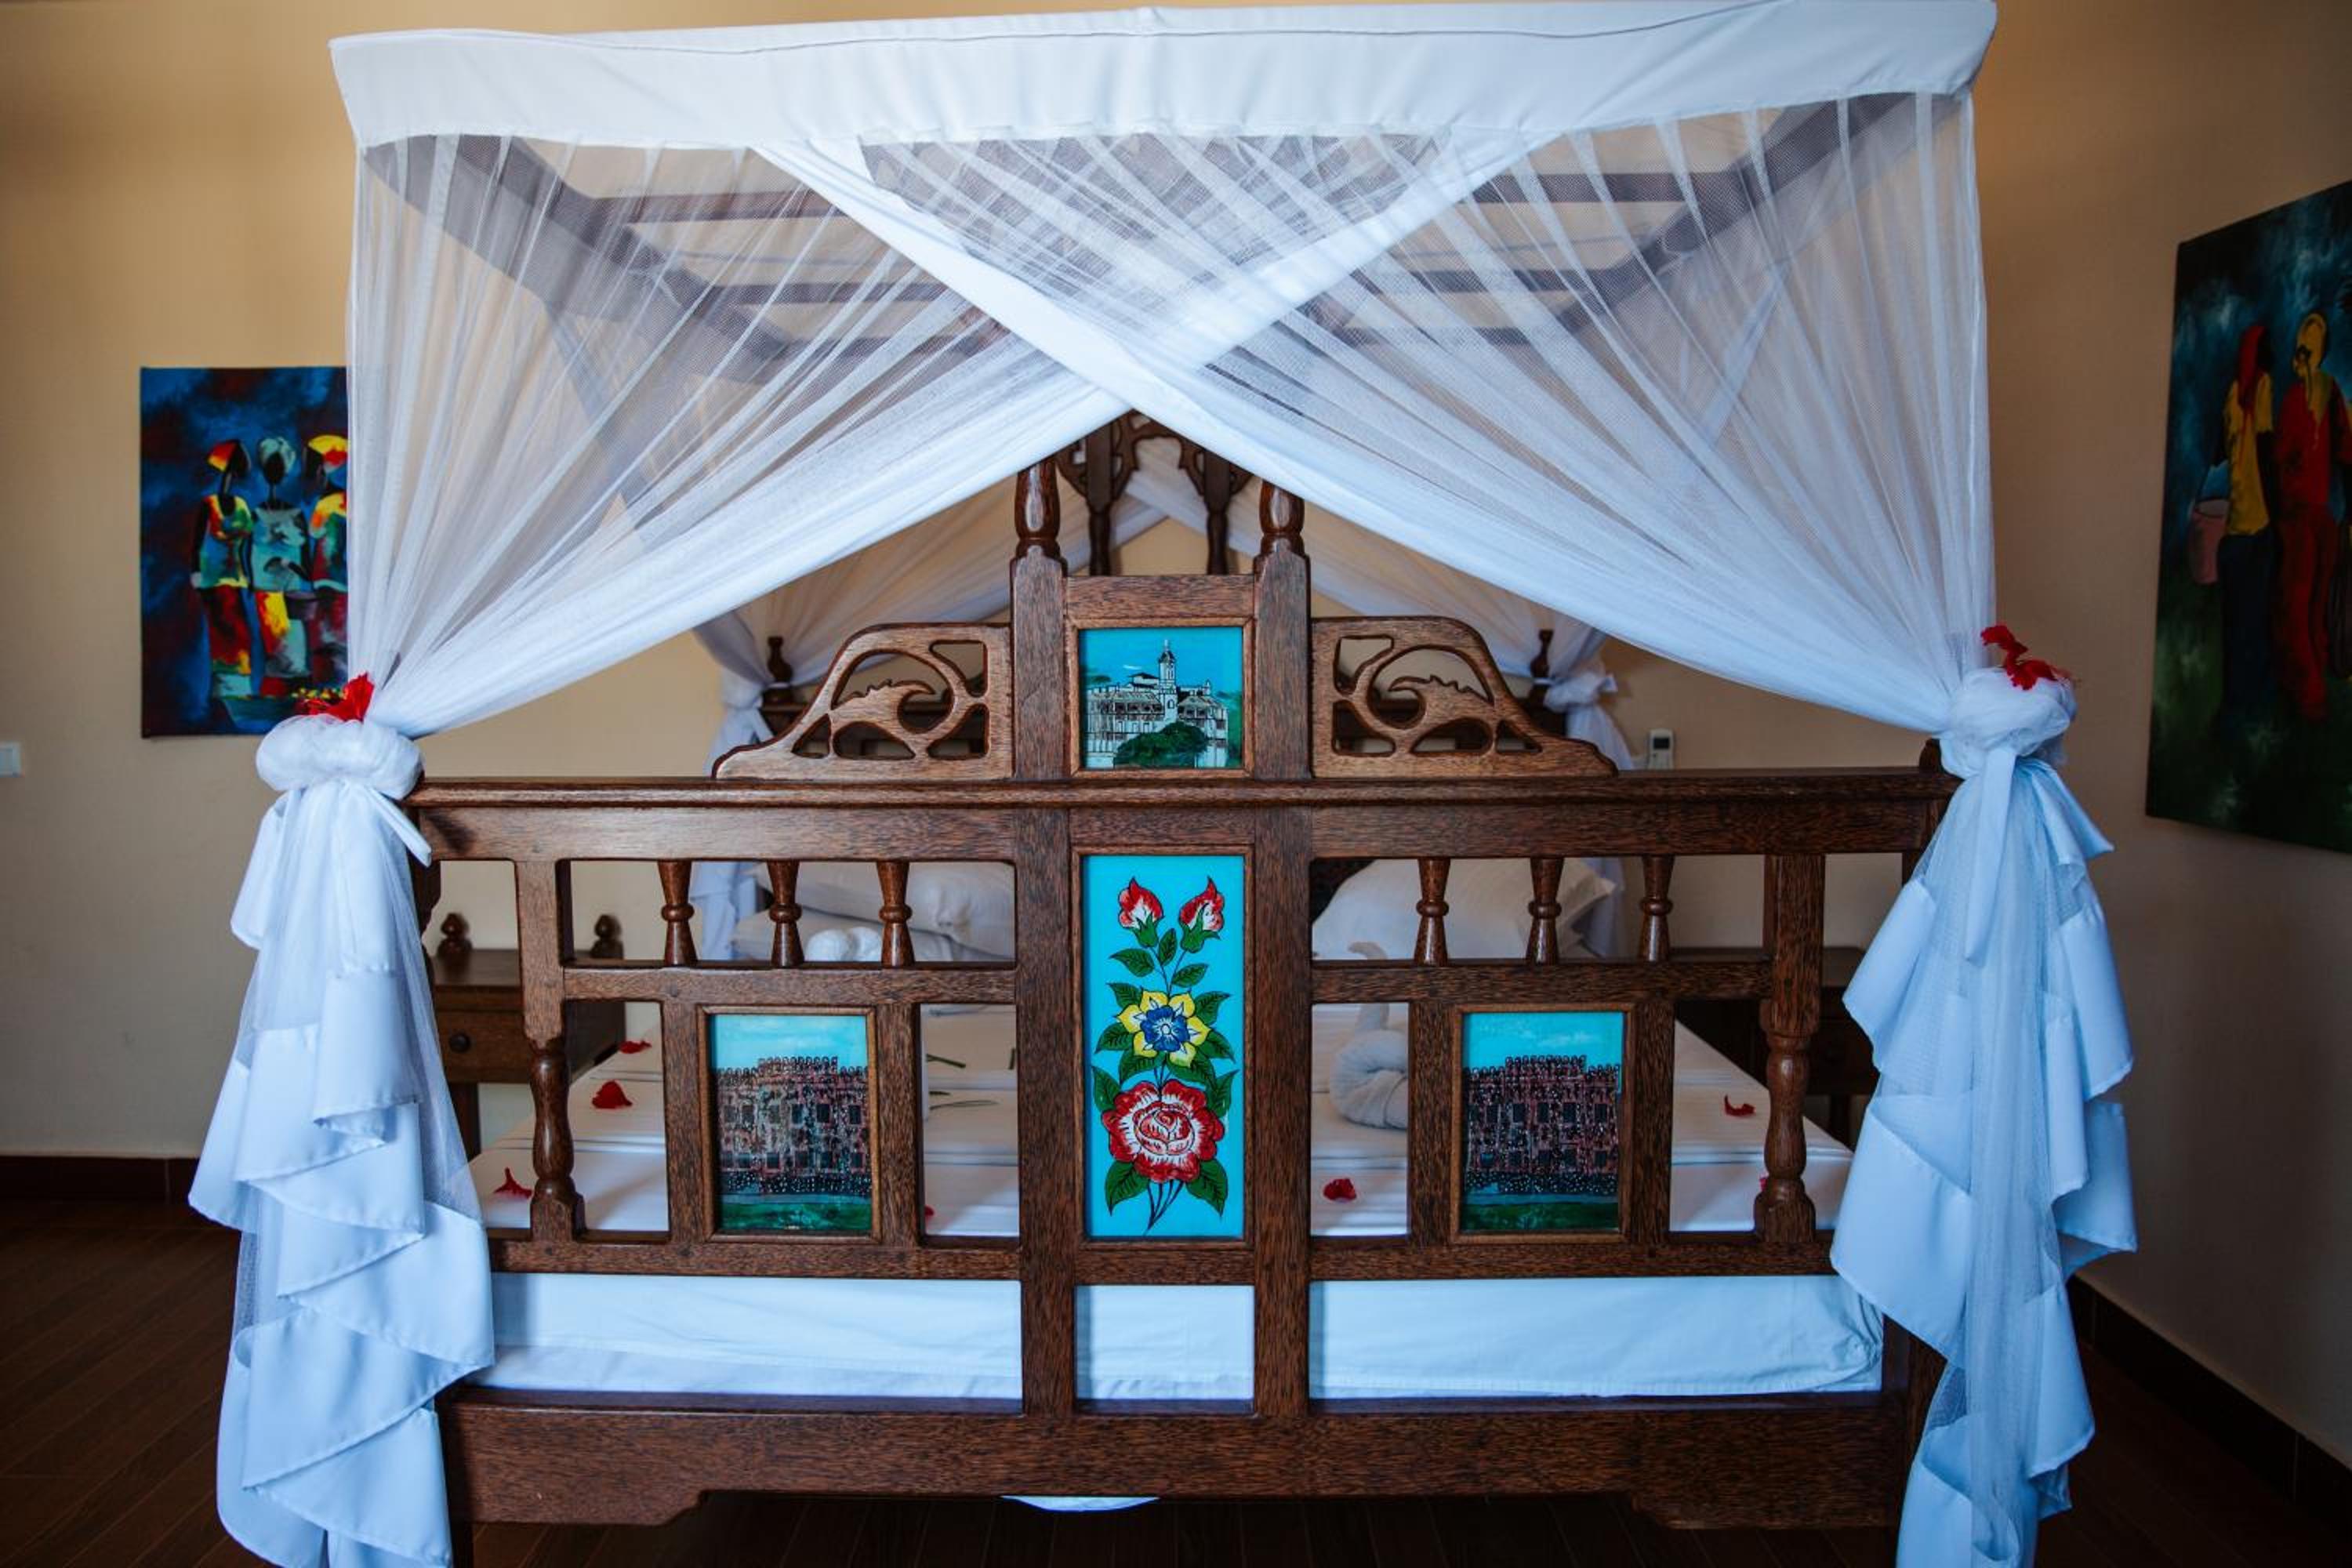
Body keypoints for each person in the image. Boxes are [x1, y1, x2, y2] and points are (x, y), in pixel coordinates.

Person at [2273, 310, 2352, 720]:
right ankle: (2310, 688)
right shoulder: (2318, 394)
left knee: (2303, 604)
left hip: (2307, 519)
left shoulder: (2308, 396)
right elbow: (2344, 451)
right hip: (2311, 518)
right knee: (2308, 604)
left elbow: (2286, 458)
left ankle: (2310, 694)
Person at [2214, 322, 2279, 728]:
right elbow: (2267, 448)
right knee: (2255, 619)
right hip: (2257, 525)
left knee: (2235, 621)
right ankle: (2252, 702)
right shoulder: (2262, 388)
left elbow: (2221, 451)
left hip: (2233, 530)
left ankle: (2235, 704)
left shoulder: (2232, 395)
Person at [190, 439, 255, 701]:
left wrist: (249, 575)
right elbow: (197, 542)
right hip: (212, 578)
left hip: (236, 577)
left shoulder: (241, 505)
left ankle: (238, 688)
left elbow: (247, 546)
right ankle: (223, 690)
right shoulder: (209, 505)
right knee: (220, 632)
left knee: (239, 633)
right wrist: (195, 571)